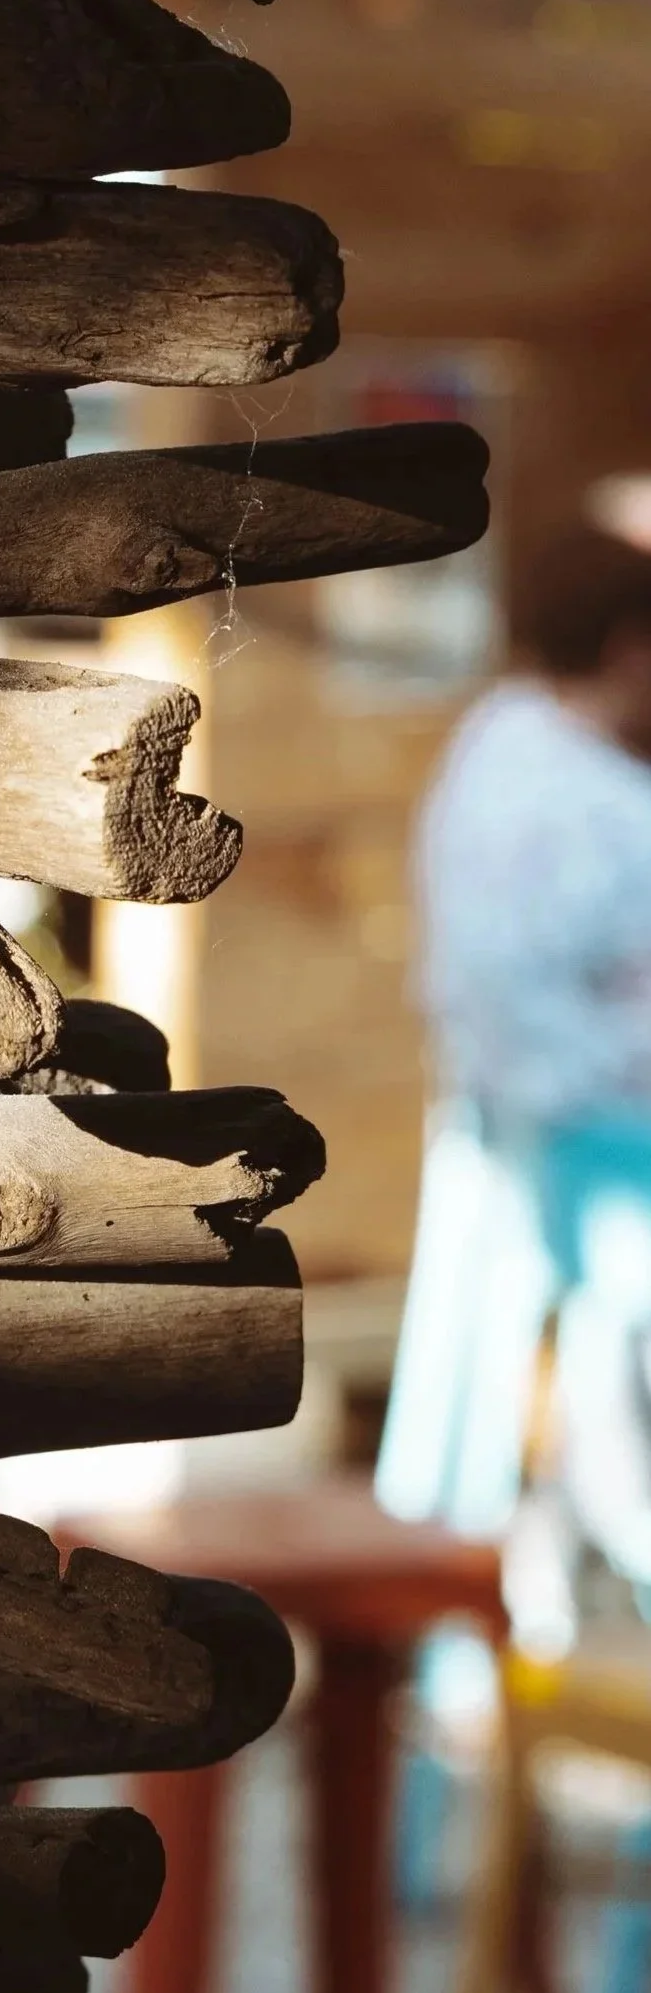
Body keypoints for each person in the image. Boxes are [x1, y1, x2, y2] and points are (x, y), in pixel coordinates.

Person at [384, 523, 651, 1622]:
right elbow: (511, 980)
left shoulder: (501, 741)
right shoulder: (577, 796)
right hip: (588, 1139)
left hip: (525, 1122)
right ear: (631, 646)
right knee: (598, 1429)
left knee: (520, 1430)